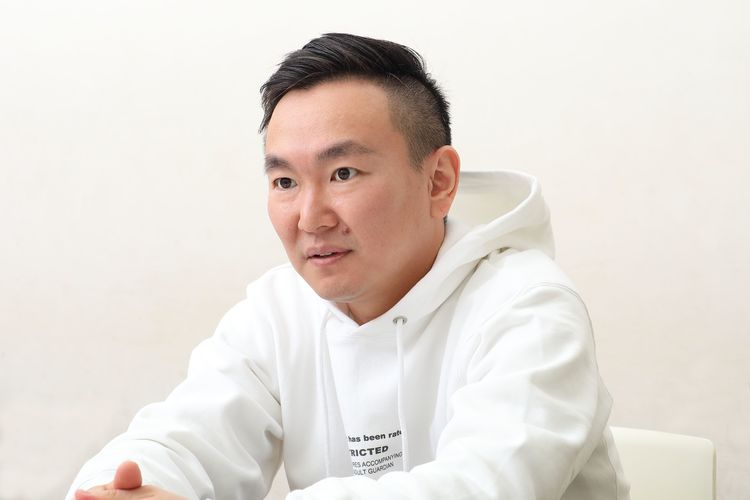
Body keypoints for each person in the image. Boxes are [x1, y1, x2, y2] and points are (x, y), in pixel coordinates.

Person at [67, 33, 629, 500]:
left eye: (343, 174)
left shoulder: (528, 308)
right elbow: (184, 437)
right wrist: (123, 486)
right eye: (285, 181)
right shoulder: (277, 312)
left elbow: (485, 486)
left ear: (438, 181)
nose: (310, 217)